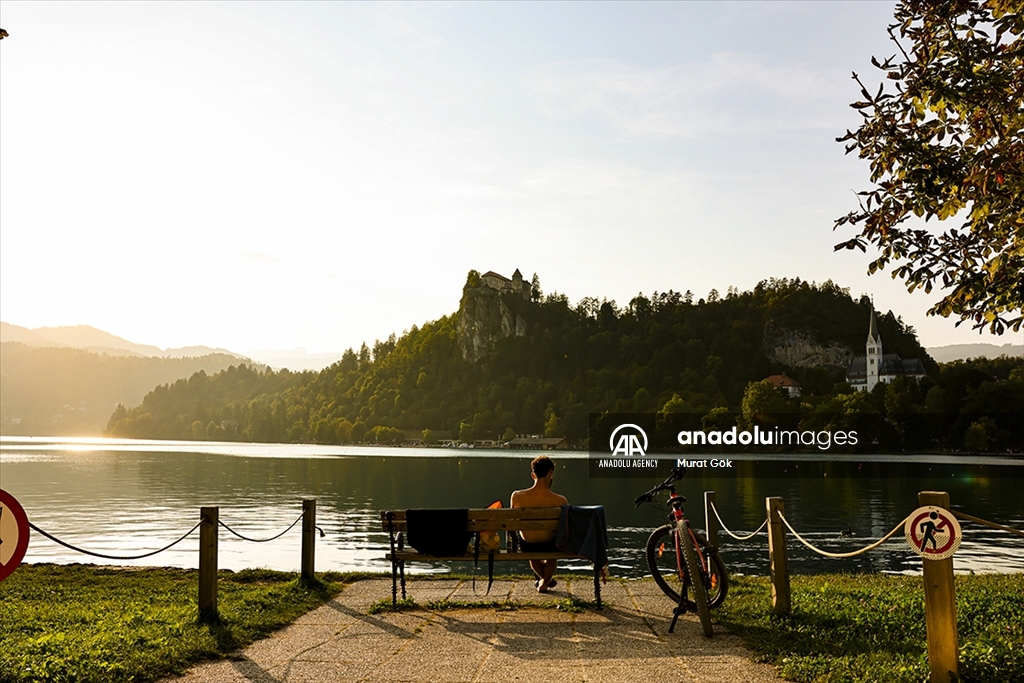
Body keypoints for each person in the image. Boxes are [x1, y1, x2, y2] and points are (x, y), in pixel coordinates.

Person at [510, 455, 568, 592]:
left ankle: (543, 580)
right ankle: (545, 580)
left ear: (533, 475)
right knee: (553, 551)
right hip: (550, 544)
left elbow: (512, 522)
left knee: (532, 552)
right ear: (551, 473)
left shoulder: (517, 496)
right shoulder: (560, 500)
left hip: (527, 544)